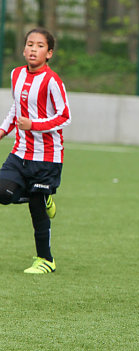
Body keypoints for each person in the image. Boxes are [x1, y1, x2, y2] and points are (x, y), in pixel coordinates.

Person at [0, 28, 71, 274]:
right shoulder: (16, 75)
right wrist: (2, 130)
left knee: (37, 209)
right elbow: (16, 108)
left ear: (49, 53)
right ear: (23, 49)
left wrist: (35, 125)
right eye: (30, 44)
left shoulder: (53, 81)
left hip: (47, 156)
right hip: (19, 153)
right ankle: (39, 195)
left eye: (40, 46)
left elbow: (65, 116)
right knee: (2, 192)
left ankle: (46, 260)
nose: (33, 49)